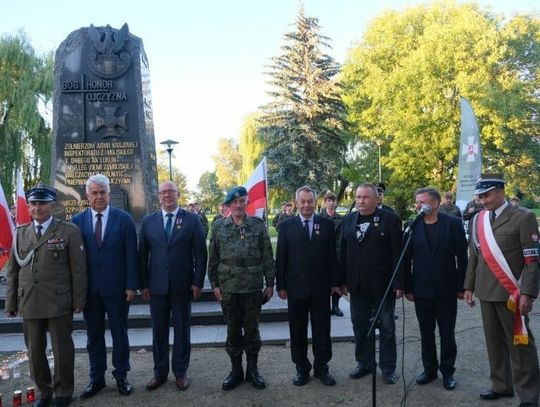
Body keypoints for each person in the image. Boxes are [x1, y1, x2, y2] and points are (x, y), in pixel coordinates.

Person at [5, 184, 87, 407]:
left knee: (62, 350)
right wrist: (11, 302)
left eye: (42, 203)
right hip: (29, 300)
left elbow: (78, 269)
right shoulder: (20, 233)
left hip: (58, 300)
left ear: (53, 205)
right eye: (33, 203)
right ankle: (44, 391)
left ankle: (63, 392)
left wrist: (79, 300)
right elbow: (12, 270)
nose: (37, 208)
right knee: (35, 351)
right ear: (29, 206)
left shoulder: (68, 231)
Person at [464, 174, 539, 406]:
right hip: (486, 290)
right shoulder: (478, 220)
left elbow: (532, 260)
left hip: (511, 293)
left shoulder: (523, 217)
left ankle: (528, 395)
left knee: (520, 345)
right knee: (493, 342)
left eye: (486, 195)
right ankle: (501, 384)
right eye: (480, 196)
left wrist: (528, 293)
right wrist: (468, 286)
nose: (483, 200)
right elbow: (474, 257)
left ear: (500, 191)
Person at [72, 174, 139, 399]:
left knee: (120, 334)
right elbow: (75, 261)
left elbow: (132, 256)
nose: (99, 197)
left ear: (108, 194)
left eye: (103, 192)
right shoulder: (77, 222)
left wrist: (132, 286)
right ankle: (96, 379)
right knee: (94, 337)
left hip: (118, 290)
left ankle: (121, 376)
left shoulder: (124, 219)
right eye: (95, 193)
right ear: (87, 195)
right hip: (91, 292)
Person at [139, 181, 207, 391]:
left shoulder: (192, 220)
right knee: (158, 331)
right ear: (158, 196)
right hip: (156, 286)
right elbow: (142, 256)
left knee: (181, 330)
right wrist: (144, 284)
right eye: (163, 192)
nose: (167, 195)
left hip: (182, 285)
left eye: (171, 192)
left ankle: (180, 372)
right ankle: (159, 373)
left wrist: (197, 282)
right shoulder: (148, 221)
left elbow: (201, 254)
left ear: (178, 194)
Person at [208, 186, 275, 390]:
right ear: (229, 205)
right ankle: (236, 370)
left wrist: (270, 283)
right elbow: (214, 259)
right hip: (228, 288)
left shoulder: (257, 225)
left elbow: (267, 256)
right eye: (234, 202)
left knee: (252, 331)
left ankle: (252, 370)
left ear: (247, 203)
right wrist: (215, 286)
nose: (238, 205)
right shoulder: (219, 227)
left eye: (242, 201)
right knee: (233, 330)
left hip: (253, 288)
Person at [403, 188, 468, 391]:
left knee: (447, 333)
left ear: (436, 203)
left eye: (422, 202)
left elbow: (462, 257)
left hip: (446, 289)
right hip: (421, 289)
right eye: (416, 202)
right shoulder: (412, 226)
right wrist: (407, 287)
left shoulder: (454, 224)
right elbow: (406, 260)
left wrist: (462, 286)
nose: (418, 206)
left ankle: (447, 372)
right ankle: (429, 370)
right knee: (426, 332)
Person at [276, 186, 341, 387]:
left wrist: (335, 283)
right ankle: (301, 368)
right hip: (296, 287)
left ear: (315, 202)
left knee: (322, 330)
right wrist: (281, 285)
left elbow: (333, 257)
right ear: (296, 203)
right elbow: (281, 258)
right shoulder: (286, 226)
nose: (306, 205)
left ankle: (322, 367)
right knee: (297, 330)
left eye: (310, 201)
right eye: (302, 201)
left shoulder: (327, 225)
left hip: (321, 288)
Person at [341, 183, 403, 385]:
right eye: (358, 197)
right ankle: (365, 363)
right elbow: (342, 252)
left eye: (366, 197)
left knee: (386, 328)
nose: (361, 201)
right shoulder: (348, 220)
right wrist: (342, 281)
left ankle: (387, 368)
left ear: (377, 199)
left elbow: (398, 254)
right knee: (359, 326)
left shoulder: (391, 220)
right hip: (357, 285)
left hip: (382, 285)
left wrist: (399, 283)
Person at [319, 191, 344, 317]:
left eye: (333, 200)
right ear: (325, 202)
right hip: (323, 254)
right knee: (324, 282)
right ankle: (325, 307)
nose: (331, 203)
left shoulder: (340, 218)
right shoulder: (319, 217)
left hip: (337, 253)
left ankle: (335, 306)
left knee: (337, 281)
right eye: (329, 200)